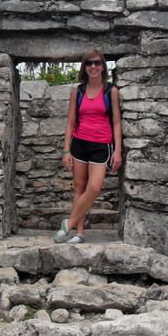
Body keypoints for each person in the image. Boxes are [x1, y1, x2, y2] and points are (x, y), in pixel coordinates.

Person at [55, 49, 122, 243]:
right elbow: (70, 123)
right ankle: (79, 233)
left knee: (94, 188)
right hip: (80, 144)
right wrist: (66, 150)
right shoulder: (78, 92)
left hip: (102, 145)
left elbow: (117, 123)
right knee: (79, 187)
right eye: (89, 63)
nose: (93, 67)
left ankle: (68, 224)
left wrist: (117, 151)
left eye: (97, 63)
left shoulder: (111, 91)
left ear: (103, 66)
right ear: (84, 67)